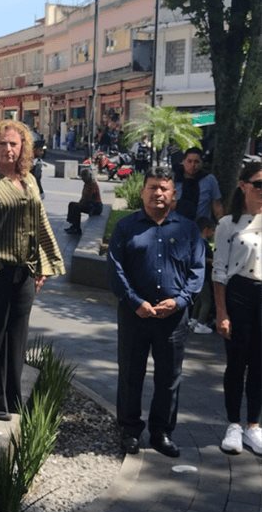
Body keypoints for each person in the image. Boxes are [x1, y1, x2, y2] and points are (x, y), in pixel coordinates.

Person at [0, 120, 65, 422]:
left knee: (17, 336)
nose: (8, 149)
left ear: (23, 147)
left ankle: (12, 397)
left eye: (14, 143)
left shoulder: (29, 180)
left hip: (24, 272)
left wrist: (44, 263)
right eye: (2, 144)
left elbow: (39, 223)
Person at [108, 167, 205, 458]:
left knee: (169, 377)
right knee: (130, 374)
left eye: (164, 188)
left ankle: (161, 432)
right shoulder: (126, 228)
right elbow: (115, 268)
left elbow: (198, 271)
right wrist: (136, 301)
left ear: (173, 194)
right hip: (135, 315)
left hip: (173, 318)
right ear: (142, 192)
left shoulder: (188, 230)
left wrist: (180, 301)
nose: (158, 193)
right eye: (152, 187)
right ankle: (129, 431)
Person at [212, 160, 262, 456]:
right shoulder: (228, 225)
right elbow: (219, 271)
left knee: (260, 364)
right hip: (239, 294)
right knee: (237, 362)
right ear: (244, 186)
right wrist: (221, 312)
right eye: (258, 184)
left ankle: (253, 426)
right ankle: (233, 423)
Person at [174, 147, 223, 222]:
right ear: (183, 162)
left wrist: (221, 224)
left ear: (201, 163)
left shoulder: (209, 179)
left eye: (196, 162)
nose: (193, 165)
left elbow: (217, 206)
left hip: (201, 227)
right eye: (189, 161)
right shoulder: (174, 179)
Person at [188, 217, 216, 334]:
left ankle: (193, 320)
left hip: (200, 276)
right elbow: (203, 259)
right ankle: (200, 323)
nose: (213, 233)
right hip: (203, 276)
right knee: (207, 301)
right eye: (212, 230)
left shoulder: (196, 241)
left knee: (199, 300)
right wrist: (212, 261)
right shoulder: (202, 243)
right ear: (206, 229)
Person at [64, 168, 103, 235]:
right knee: (72, 204)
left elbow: (89, 198)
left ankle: (77, 228)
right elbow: (83, 197)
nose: (82, 179)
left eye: (83, 177)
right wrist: (80, 203)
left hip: (95, 206)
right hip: (89, 204)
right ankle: (73, 225)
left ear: (87, 176)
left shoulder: (92, 184)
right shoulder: (86, 184)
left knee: (77, 208)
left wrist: (81, 204)